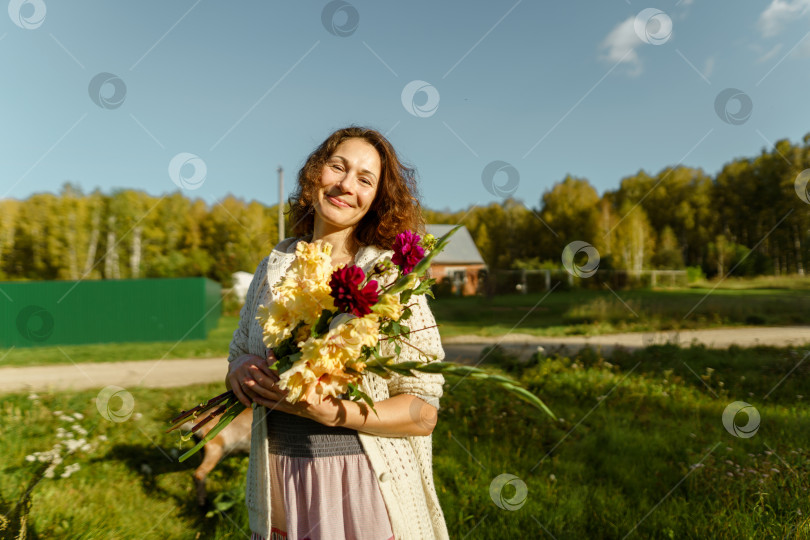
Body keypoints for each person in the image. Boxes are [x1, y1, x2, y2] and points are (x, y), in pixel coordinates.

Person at [225, 126, 450, 540]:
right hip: (283, 482)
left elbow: (424, 412)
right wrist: (239, 369)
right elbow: (239, 350)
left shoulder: (389, 278)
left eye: (364, 179)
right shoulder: (274, 264)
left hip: (362, 485)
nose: (346, 185)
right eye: (338, 167)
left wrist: (334, 414)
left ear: (376, 199)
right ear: (316, 174)